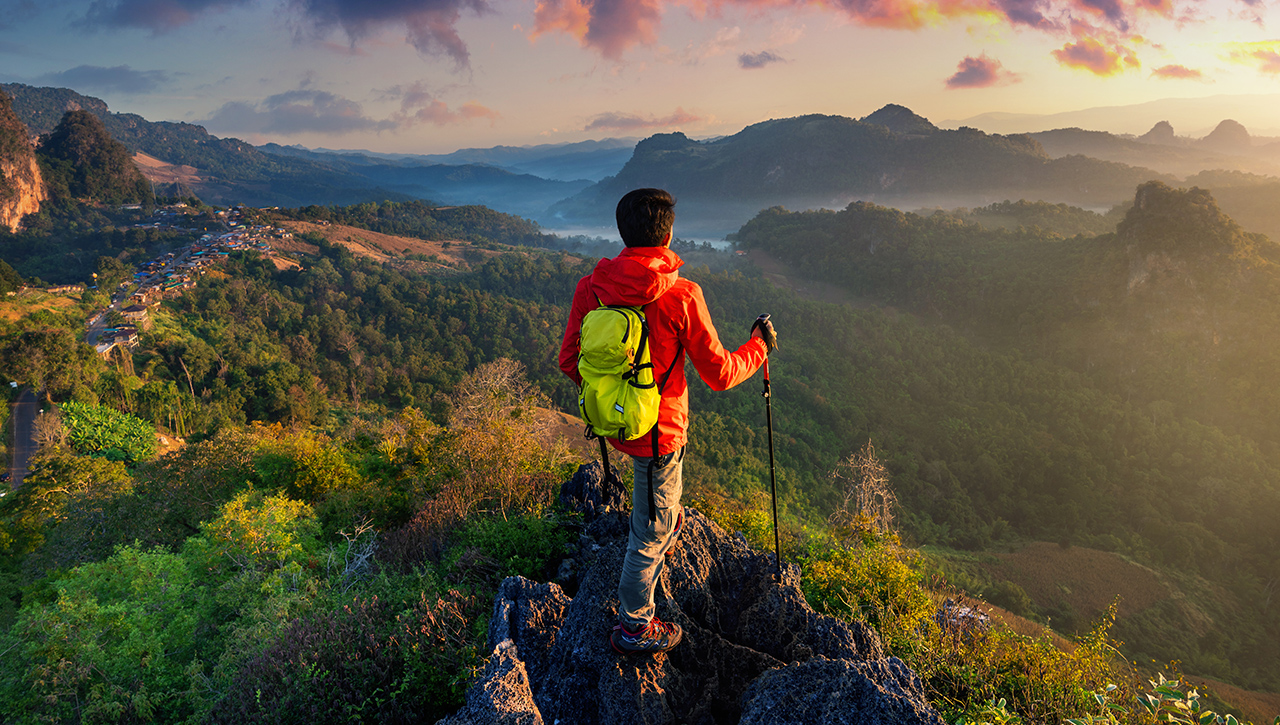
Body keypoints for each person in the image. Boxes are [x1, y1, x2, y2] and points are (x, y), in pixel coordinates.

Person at [558, 188, 776, 656]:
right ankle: (634, 627)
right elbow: (718, 374)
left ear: (622, 232)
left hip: (617, 426)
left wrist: (613, 397)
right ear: (669, 233)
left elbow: (569, 360)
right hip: (661, 435)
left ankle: (663, 525)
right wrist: (758, 347)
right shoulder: (682, 295)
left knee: (658, 506)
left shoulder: (591, 288)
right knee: (648, 534)